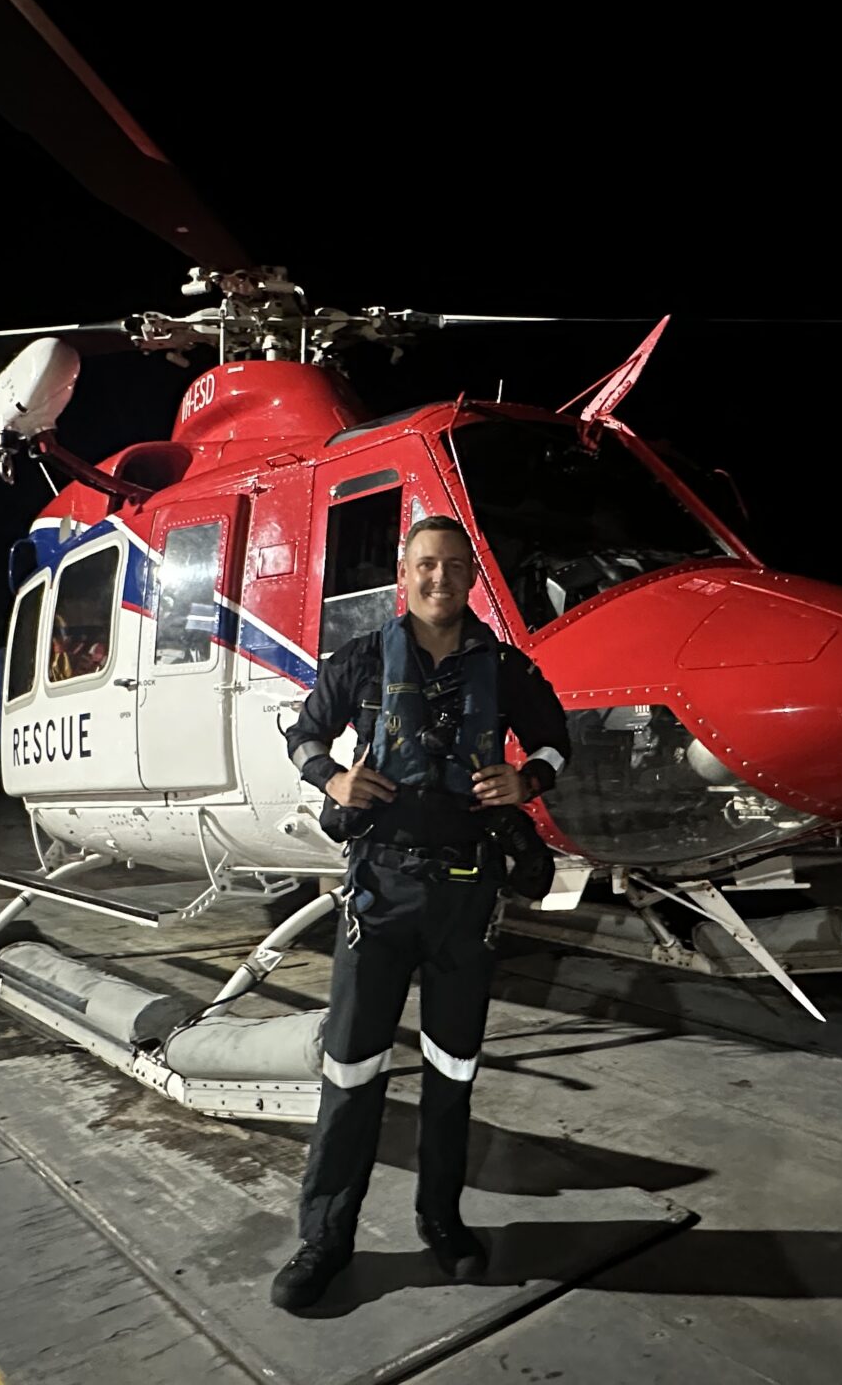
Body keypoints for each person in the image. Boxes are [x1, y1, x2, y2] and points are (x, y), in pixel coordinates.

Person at [273, 514, 570, 1311]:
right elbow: (302, 736)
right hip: (380, 894)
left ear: (472, 577)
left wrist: (527, 783)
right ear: (404, 576)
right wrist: (331, 779)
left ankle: (441, 1219)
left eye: (453, 567)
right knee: (351, 1071)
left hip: (465, 901)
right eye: (425, 566)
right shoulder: (362, 661)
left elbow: (556, 742)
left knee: (452, 1073)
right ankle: (325, 1238)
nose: (439, 580)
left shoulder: (505, 669)